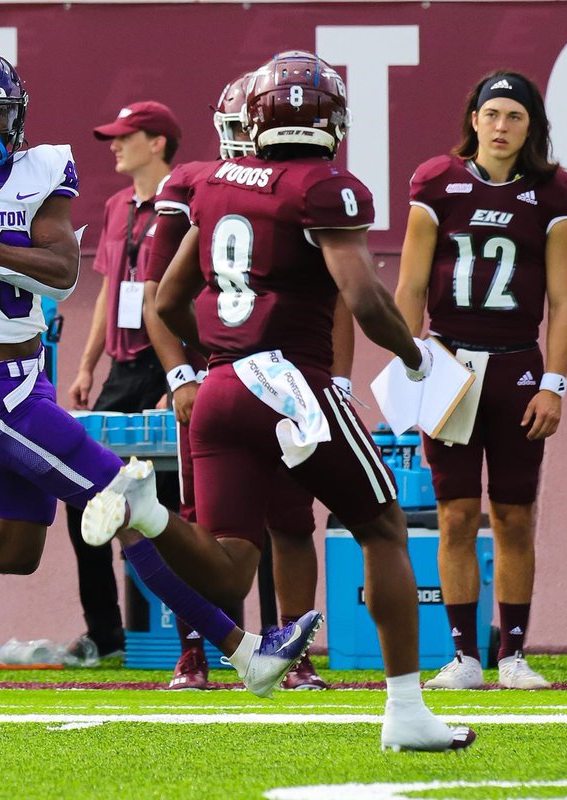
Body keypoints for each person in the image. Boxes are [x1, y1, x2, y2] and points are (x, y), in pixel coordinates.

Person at [0, 48, 319, 700]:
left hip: (25, 382)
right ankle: (244, 653)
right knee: (127, 511)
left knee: (15, 551)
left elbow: (60, 270)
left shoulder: (39, 169)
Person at [92, 50, 475, 752]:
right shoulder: (325, 186)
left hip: (221, 384)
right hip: (293, 386)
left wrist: (218, 354)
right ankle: (407, 712)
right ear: (331, 120)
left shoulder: (213, 184)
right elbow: (362, 298)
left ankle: (147, 513)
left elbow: (169, 301)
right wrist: (418, 355)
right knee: (383, 526)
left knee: (231, 562)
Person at [141, 73, 353, 692]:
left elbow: (338, 294)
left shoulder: (300, 189)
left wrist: (337, 378)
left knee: (291, 519)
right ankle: (200, 649)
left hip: (279, 375)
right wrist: (183, 372)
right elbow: (160, 297)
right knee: (208, 524)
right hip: (224, 375)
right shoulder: (196, 185)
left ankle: (296, 651)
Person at [394, 70, 567, 690]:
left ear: (532, 127)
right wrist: (407, 361)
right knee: (454, 513)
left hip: (518, 365)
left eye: (515, 117)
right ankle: (463, 656)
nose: (502, 127)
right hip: (449, 364)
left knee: (515, 514)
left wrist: (554, 382)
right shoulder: (437, 182)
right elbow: (412, 286)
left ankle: (515, 654)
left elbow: (564, 298)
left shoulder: (551, 191)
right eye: (492, 114)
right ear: (473, 118)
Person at [63, 100, 185, 662]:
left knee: (161, 506)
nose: (114, 145)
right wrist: (88, 364)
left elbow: (187, 296)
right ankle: (106, 633)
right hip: (120, 370)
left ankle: (178, 636)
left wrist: (179, 375)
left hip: (165, 370)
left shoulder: (184, 202)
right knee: (82, 496)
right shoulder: (116, 206)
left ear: (157, 142)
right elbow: (111, 291)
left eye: (125, 136)